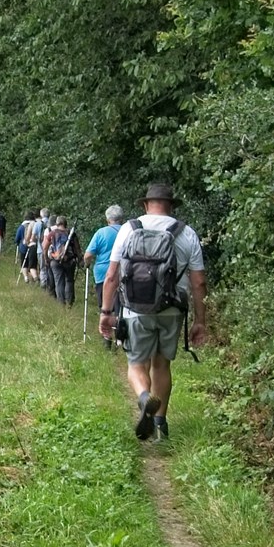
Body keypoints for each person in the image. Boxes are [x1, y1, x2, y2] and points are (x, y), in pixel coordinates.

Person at [99, 181, 207, 441]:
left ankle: (144, 397)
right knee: (162, 364)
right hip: (172, 310)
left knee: (136, 364)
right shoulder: (186, 233)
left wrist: (106, 312)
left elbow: (112, 276)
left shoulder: (129, 228)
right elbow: (199, 282)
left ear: (146, 205)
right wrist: (200, 320)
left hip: (135, 309)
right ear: (171, 206)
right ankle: (160, 424)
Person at [84, 204, 126, 345]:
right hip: (124, 274)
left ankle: (107, 338)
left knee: (105, 306)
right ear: (122, 218)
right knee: (121, 307)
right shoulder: (128, 232)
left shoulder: (101, 233)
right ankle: (120, 338)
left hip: (103, 275)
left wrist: (87, 263)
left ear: (107, 219)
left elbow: (88, 255)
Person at [41, 215, 74, 305]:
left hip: (55, 260)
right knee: (69, 281)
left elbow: (45, 248)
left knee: (59, 282)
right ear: (65, 223)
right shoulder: (71, 233)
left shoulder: (52, 233)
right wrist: (80, 259)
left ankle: (61, 302)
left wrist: (46, 258)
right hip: (69, 260)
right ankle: (69, 302)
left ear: (57, 223)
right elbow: (77, 248)